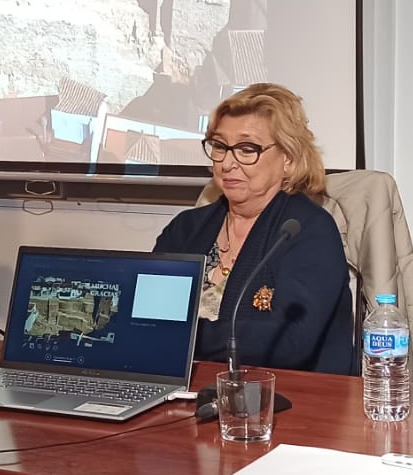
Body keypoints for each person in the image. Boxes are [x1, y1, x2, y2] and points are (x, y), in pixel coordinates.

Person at [152, 83, 354, 374]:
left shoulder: (308, 230)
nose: (228, 163)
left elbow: (289, 341)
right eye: (220, 147)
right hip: (183, 390)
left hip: (289, 400)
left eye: (247, 149)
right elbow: (146, 319)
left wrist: (186, 336)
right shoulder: (186, 228)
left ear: (289, 159)